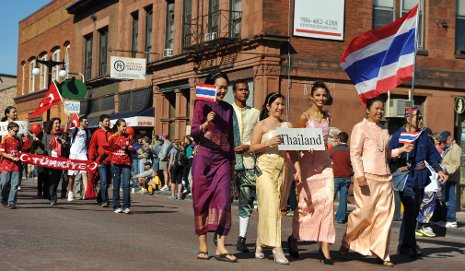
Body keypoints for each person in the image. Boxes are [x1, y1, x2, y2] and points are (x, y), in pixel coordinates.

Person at [339, 97, 413, 267]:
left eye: (382, 109)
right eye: (377, 108)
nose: (380, 111)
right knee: (363, 214)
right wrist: (359, 175)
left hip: (385, 178)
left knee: (384, 217)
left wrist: (401, 149)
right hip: (367, 177)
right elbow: (355, 154)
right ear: (367, 110)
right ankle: (347, 242)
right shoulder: (360, 127)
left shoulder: (384, 130)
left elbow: (385, 154)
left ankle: (382, 253)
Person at [191, 71, 237, 263]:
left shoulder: (228, 108)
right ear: (211, 87)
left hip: (223, 160)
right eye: (219, 86)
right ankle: (203, 245)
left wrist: (233, 162)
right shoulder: (201, 104)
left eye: (225, 87)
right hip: (204, 158)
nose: (222, 90)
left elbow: (232, 135)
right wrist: (205, 123)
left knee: (224, 200)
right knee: (201, 201)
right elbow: (194, 132)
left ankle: (220, 246)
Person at [390, 106, 446, 259]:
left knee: (413, 214)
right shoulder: (398, 136)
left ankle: (405, 245)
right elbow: (388, 155)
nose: (421, 120)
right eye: (417, 117)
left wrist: (439, 170)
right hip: (407, 179)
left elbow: (432, 156)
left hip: (421, 179)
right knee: (409, 212)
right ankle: (409, 245)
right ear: (407, 118)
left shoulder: (424, 137)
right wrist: (398, 162)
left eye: (421, 117)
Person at [288, 81, 335, 265]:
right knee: (306, 205)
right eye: (318, 95)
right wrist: (303, 145)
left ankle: (324, 247)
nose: (321, 98)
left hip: (325, 164)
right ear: (311, 97)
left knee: (328, 203)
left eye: (324, 95)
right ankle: (294, 237)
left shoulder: (328, 116)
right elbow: (294, 143)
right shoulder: (304, 117)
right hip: (307, 165)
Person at [250, 92, 291, 265]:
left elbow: (294, 148)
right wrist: (268, 143)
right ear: (268, 106)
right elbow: (252, 147)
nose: (280, 107)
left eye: (282, 104)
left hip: (281, 169)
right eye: (276, 104)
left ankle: (260, 242)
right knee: (273, 206)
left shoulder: (288, 125)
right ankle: (277, 248)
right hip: (264, 169)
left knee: (271, 207)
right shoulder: (261, 125)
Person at [229, 79, 260, 253]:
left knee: (246, 200)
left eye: (246, 89)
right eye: (240, 90)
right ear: (234, 92)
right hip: (228, 163)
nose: (244, 92)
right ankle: (220, 232)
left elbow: (260, 136)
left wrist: (248, 145)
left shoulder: (255, 113)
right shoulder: (227, 111)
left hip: (248, 162)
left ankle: (242, 238)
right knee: (224, 200)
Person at [106, 119, 133, 214]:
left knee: (126, 185)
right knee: (116, 186)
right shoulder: (112, 138)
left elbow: (130, 147)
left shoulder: (128, 137)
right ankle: (116, 206)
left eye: (125, 126)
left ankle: (126, 206)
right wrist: (101, 161)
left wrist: (127, 147)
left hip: (126, 164)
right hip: (115, 164)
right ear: (118, 126)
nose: (125, 128)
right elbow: (108, 150)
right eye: (123, 126)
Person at [42, 118, 68, 205]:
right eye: (56, 123)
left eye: (59, 123)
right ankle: (53, 198)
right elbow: (43, 146)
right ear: (52, 124)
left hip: (60, 160)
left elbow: (67, 146)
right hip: (50, 160)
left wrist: (64, 143)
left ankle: (51, 194)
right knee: (52, 179)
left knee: (57, 180)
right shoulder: (47, 134)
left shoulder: (62, 134)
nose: (58, 125)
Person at [88, 114, 112, 207]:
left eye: (108, 121)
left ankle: (99, 197)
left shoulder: (112, 133)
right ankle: (105, 200)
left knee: (107, 183)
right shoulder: (96, 133)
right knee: (104, 181)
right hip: (101, 161)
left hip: (111, 161)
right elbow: (92, 147)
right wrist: (91, 159)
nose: (108, 122)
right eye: (106, 121)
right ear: (101, 122)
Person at [438, 131, 460, 229]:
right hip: (445, 177)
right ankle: (445, 219)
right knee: (444, 199)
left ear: (450, 138)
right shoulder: (447, 148)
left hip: (450, 177)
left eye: (445, 140)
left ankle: (452, 220)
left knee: (450, 199)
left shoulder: (455, 148)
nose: (444, 143)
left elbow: (456, 164)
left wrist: (446, 169)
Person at [66, 115, 91, 201]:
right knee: (71, 175)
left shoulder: (88, 132)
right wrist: (68, 121)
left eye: (87, 121)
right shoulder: (75, 129)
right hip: (73, 154)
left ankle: (86, 193)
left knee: (85, 173)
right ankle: (70, 192)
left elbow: (88, 142)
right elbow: (66, 130)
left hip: (83, 154)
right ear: (80, 122)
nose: (87, 123)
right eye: (85, 121)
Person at [330, 131, 353, 224]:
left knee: (330, 198)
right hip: (347, 177)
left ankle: (326, 217)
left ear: (339, 139)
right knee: (343, 198)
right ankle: (340, 218)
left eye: (336, 139)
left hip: (335, 176)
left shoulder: (333, 150)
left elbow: (326, 157)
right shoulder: (350, 150)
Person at [0, 122, 22, 208]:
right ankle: (3, 197)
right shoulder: (4, 139)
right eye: (15, 131)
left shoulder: (18, 140)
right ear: (9, 130)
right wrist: (12, 158)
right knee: (4, 183)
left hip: (16, 166)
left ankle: (12, 202)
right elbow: (2, 153)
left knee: (15, 185)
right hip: (5, 165)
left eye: (18, 131)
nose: (17, 133)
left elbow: (21, 150)